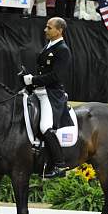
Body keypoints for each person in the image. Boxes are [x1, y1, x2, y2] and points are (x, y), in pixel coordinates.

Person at [21, 17, 72, 178]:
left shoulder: (62, 49)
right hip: (39, 91)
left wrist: (33, 80)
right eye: (46, 27)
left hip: (51, 94)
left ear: (59, 30)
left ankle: (59, 165)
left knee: (45, 127)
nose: (45, 30)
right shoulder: (49, 46)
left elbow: (56, 76)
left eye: (49, 28)